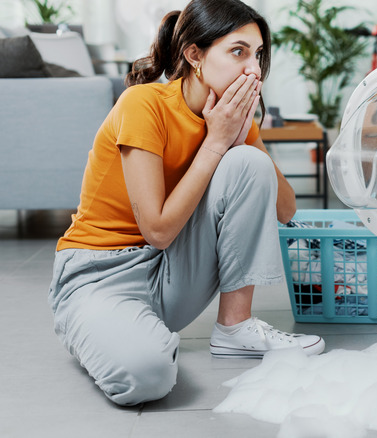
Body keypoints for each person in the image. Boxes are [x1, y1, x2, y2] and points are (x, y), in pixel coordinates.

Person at [47, 0, 324, 407]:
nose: (253, 69)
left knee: (248, 162)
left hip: (170, 273)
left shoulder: (233, 119)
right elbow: (156, 231)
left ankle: (235, 327)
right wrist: (215, 142)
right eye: (238, 51)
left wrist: (238, 135)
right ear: (195, 55)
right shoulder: (143, 105)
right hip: (98, 275)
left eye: (258, 54)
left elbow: (286, 209)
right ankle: (101, 327)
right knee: (147, 376)